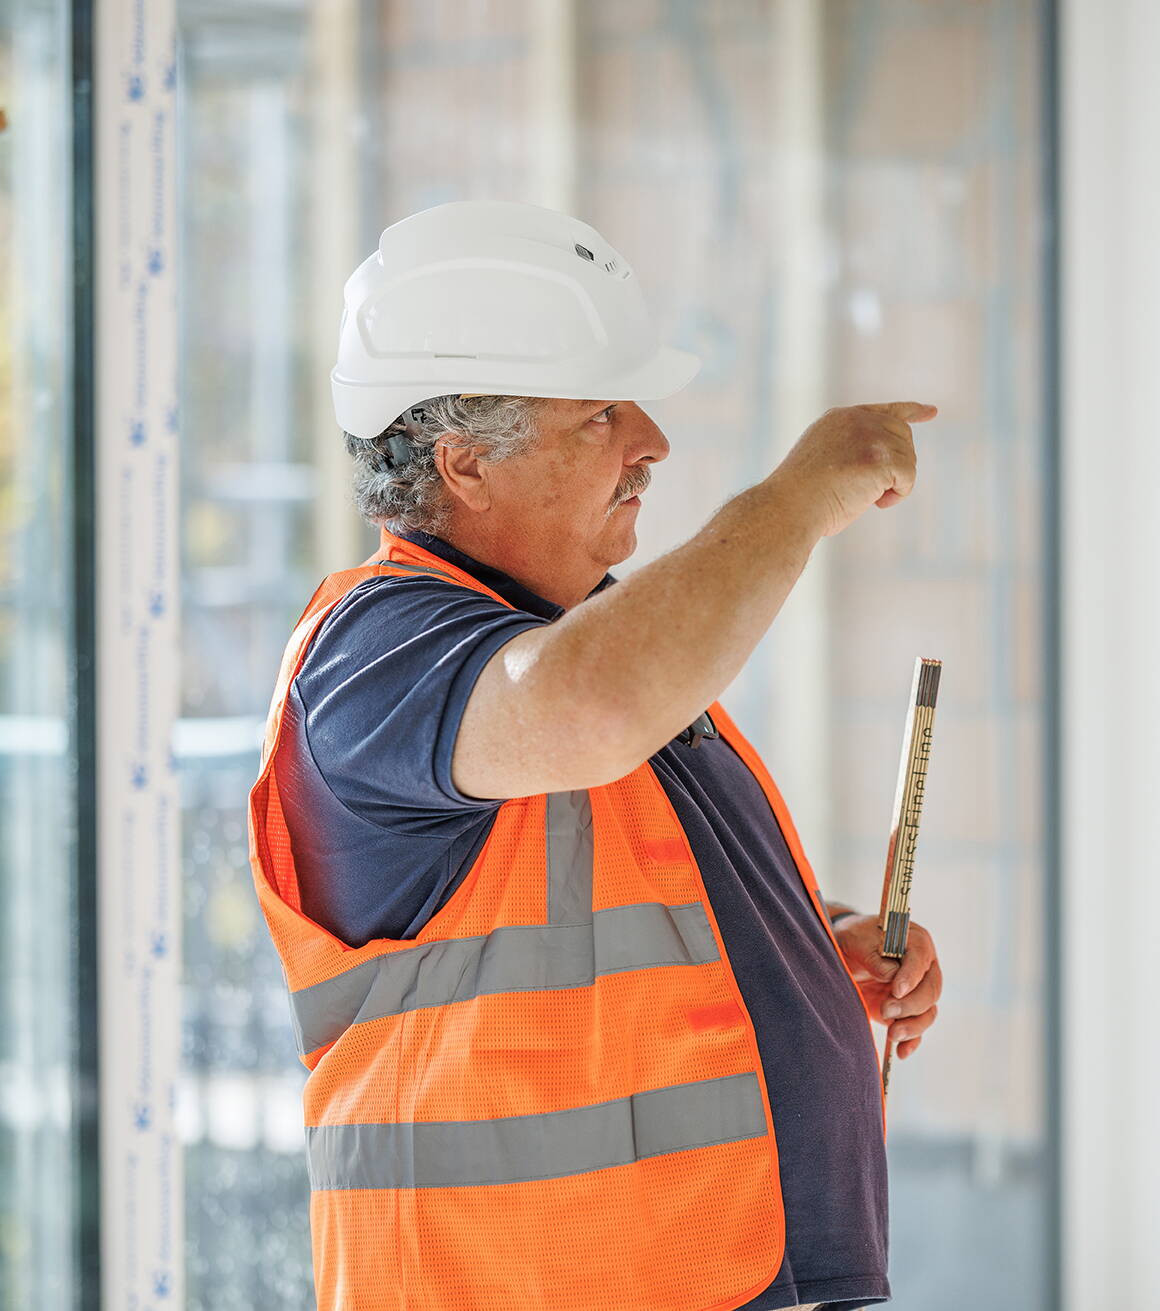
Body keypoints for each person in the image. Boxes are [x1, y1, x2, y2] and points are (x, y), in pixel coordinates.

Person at [246, 200, 942, 1311]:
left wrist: (811, 950)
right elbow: (588, 706)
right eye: (599, 416)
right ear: (465, 464)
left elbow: (597, 907)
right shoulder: (377, 654)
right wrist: (796, 497)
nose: (652, 443)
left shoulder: (575, 637)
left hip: (716, 1268)